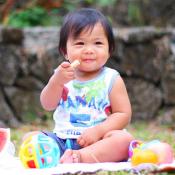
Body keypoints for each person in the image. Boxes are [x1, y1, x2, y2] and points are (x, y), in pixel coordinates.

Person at [40, 8, 134, 163]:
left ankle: (81, 157)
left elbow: (123, 115)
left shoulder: (111, 78)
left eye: (98, 43)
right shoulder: (62, 75)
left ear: (109, 50)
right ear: (65, 51)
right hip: (63, 140)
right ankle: (64, 156)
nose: (89, 50)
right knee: (32, 138)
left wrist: (98, 131)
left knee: (124, 140)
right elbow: (47, 105)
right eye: (80, 43)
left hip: (99, 141)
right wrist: (55, 82)